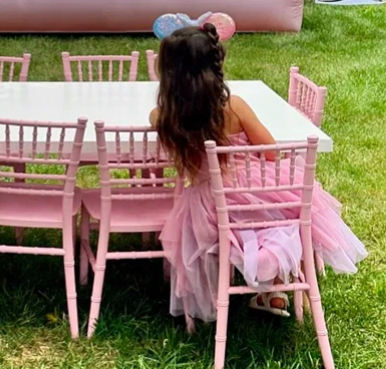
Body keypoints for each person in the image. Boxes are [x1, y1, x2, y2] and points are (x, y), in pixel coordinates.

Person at [150, 24, 366, 322]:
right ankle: (274, 284)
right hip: (263, 198)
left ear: (169, 72)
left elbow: (173, 159)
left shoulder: (163, 116)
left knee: (241, 223)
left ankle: (263, 281)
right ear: (216, 65)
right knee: (277, 218)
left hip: (213, 207)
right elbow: (271, 151)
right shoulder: (234, 107)